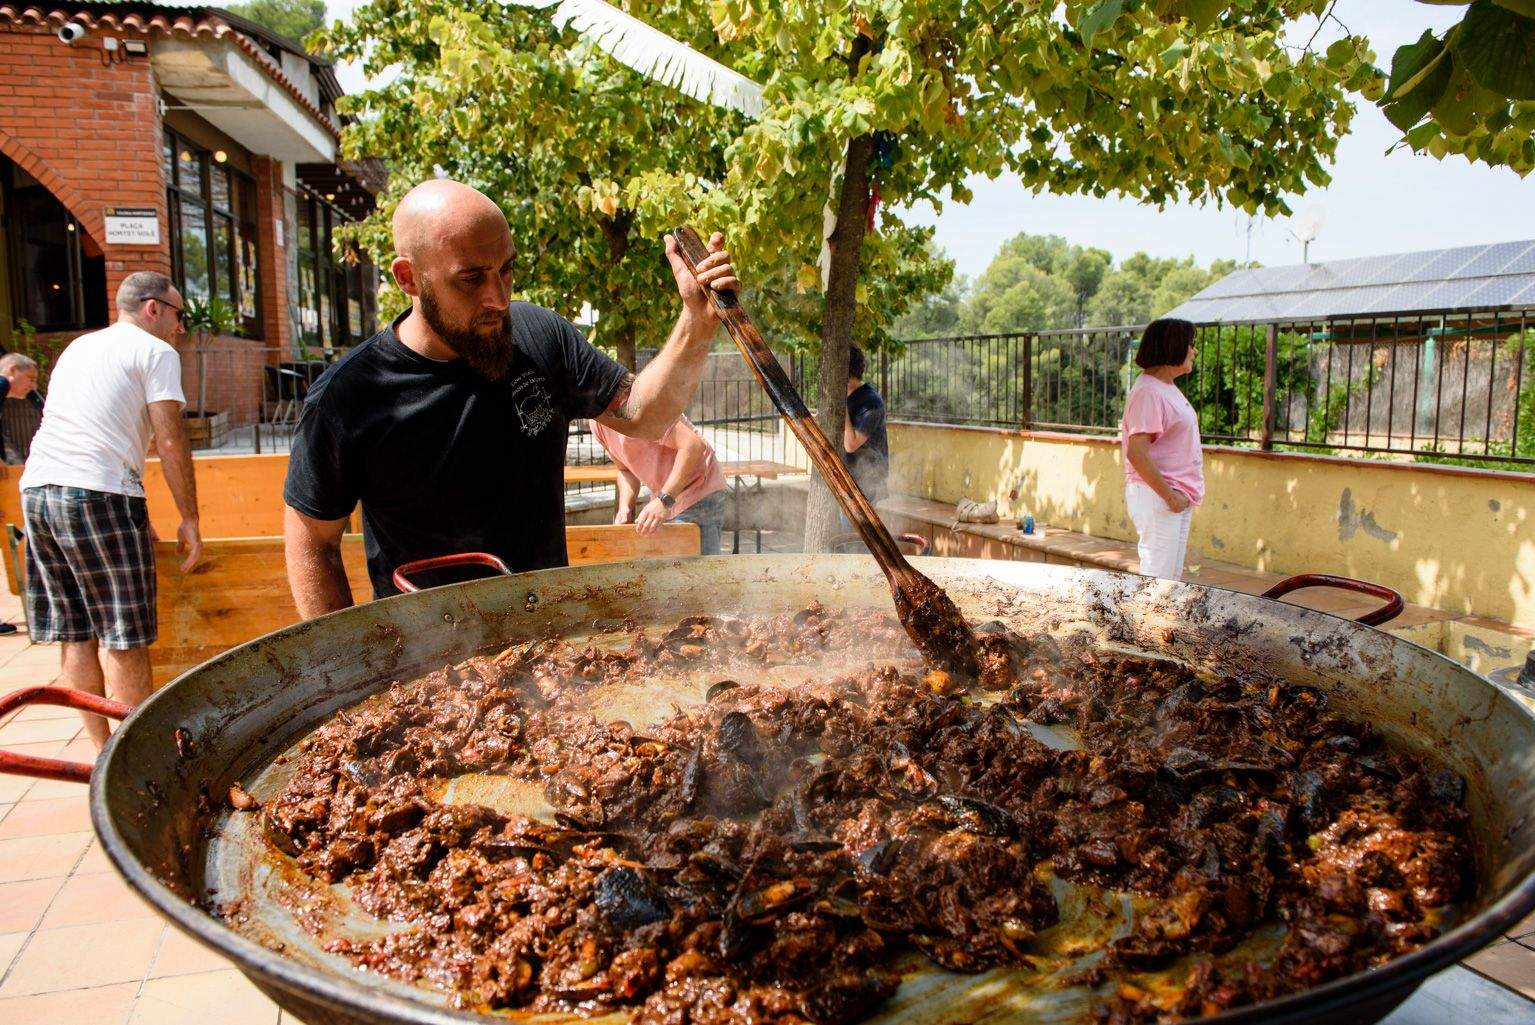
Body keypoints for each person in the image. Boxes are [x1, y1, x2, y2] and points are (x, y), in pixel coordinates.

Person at [283, 179, 739, 614]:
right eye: (471, 279)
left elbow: (644, 415)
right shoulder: (349, 396)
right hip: (429, 648)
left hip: (549, 632)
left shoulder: (542, 337)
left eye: (506, 270)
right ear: (409, 278)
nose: (498, 298)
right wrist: (345, 657)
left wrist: (696, 321)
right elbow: (313, 541)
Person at [19, 271, 203, 746]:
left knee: (76, 633)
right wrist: (190, 518)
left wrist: (142, 517)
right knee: (124, 635)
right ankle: (136, 760)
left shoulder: (79, 348)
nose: (180, 327)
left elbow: (95, 430)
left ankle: (103, 755)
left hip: (38, 490)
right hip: (97, 496)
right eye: (179, 315)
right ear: (153, 308)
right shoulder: (155, 351)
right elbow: (169, 439)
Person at [1121, 318, 1202, 580]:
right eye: (1190, 344)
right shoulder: (1149, 392)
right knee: (1158, 580)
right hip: (1159, 496)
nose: (1194, 351)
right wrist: (1170, 497)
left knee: (1169, 581)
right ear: (1172, 346)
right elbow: (1137, 453)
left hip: (1173, 496)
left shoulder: (1165, 388)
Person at [593, 414, 728, 555]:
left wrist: (663, 501)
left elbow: (693, 446)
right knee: (668, 564)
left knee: (699, 567)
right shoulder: (597, 422)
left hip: (698, 489)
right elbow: (625, 470)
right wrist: (625, 507)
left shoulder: (639, 407)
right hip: (665, 497)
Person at [843, 345, 889, 503]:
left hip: (866, 483)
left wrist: (841, 407)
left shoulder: (871, 402)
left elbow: (851, 444)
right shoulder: (848, 396)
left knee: (853, 522)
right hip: (847, 479)